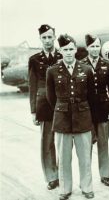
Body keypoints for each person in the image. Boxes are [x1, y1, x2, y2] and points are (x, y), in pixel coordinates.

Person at [46, 34, 96, 200]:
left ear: (76, 49)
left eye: (71, 49)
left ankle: (87, 187)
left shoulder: (87, 69)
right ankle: (65, 188)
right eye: (65, 49)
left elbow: (91, 96)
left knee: (85, 157)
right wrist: (62, 109)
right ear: (60, 51)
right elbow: (51, 97)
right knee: (64, 157)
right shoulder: (52, 71)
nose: (68, 52)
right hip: (62, 119)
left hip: (83, 117)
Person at [28, 24, 61, 190]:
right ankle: (51, 177)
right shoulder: (34, 60)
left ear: (54, 37)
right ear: (40, 39)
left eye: (50, 37)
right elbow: (32, 86)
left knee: (63, 142)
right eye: (44, 38)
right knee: (47, 142)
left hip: (62, 105)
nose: (47, 40)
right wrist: (33, 110)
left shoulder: (63, 56)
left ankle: (63, 174)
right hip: (44, 106)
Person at [81, 34, 109, 187]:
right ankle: (86, 177)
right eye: (92, 46)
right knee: (86, 145)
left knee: (103, 143)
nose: (95, 49)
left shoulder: (107, 65)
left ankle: (105, 175)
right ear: (87, 47)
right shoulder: (80, 64)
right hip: (86, 110)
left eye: (97, 46)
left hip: (103, 109)